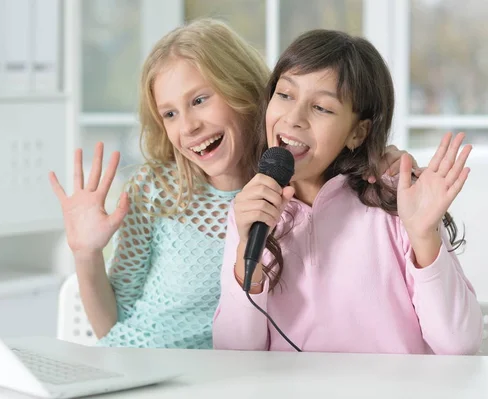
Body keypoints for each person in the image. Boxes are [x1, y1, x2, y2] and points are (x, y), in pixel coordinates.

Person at [49, 19, 422, 349]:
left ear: (243, 90)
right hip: (138, 365)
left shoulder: (294, 192)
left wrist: (385, 159)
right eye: (170, 113)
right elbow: (111, 326)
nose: (188, 126)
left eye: (200, 100)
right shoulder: (155, 189)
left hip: (228, 378)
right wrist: (86, 253)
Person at [212, 29, 483, 355]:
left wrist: (423, 235)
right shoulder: (250, 210)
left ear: (357, 133)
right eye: (285, 95)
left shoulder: (398, 202)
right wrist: (247, 254)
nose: (293, 118)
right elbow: (234, 353)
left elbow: (460, 345)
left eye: (321, 108)